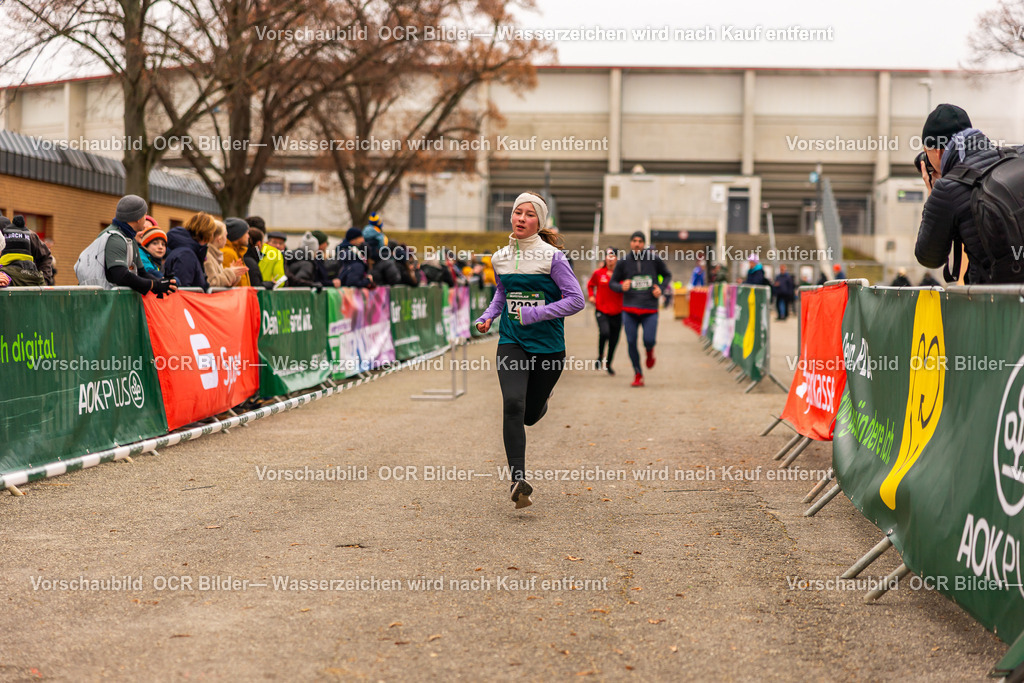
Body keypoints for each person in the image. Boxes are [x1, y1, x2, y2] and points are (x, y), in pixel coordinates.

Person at [475, 192, 585, 508]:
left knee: (531, 415)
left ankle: (542, 402)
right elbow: (502, 293)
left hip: (549, 348)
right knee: (512, 404)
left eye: (529, 214)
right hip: (512, 342)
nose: (521, 218)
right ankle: (518, 481)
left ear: (540, 221)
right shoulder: (499, 258)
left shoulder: (554, 258)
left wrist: (535, 313)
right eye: (517, 212)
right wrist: (488, 315)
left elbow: (576, 300)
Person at [915, 103, 1024, 284]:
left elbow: (928, 257)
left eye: (927, 152)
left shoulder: (947, 189)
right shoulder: (1018, 155)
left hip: (992, 301)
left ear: (938, 150)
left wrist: (932, 196)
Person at [609, 231, 671, 388]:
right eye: (634, 241)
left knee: (648, 340)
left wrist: (661, 288)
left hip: (649, 308)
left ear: (644, 244)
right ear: (630, 243)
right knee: (631, 342)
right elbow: (613, 282)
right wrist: (620, 286)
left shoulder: (654, 259)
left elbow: (667, 275)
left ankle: (649, 351)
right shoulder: (623, 262)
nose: (637, 243)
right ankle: (638, 373)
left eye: (640, 241)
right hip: (629, 309)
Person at [82, 195, 175, 296]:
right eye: (144, 214)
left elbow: (141, 273)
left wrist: (164, 284)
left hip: (110, 301)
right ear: (138, 218)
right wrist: (154, 285)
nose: (146, 218)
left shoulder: (129, 237)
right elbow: (121, 276)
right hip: (100, 301)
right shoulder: (115, 238)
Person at [586, 248, 623, 375]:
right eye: (608, 256)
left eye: (613, 256)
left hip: (618, 312)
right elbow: (590, 285)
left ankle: (609, 363)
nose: (610, 258)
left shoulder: (622, 275)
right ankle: (600, 355)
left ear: (617, 258)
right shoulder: (598, 273)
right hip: (601, 309)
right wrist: (591, 296)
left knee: (614, 339)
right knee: (605, 332)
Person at [165, 211, 215, 290]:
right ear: (207, 233)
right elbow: (183, 288)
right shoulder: (186, 255)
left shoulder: (190, 250)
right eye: (212, 232)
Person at [221, 217, 252, 287]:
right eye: (246, 233)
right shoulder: (228, 253)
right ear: (238, 234)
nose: (248, 236)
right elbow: (227, 282)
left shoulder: (236, 252)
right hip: (235, 297)